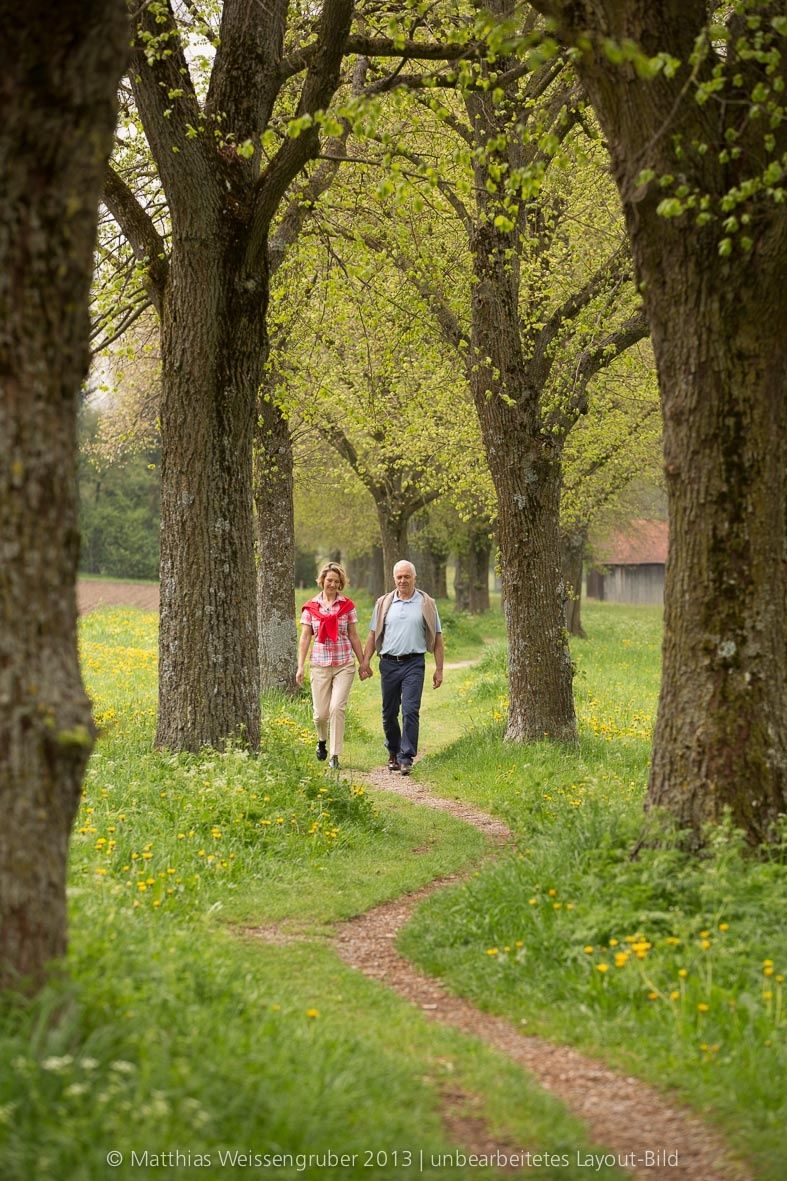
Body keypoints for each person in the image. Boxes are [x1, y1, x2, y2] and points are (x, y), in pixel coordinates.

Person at [361, 560, 443, 775]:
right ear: (394, 578)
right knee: (389, 713)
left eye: (407, 576)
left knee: (410, 710)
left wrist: (439, 669)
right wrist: (365, 661)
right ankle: (393, 751)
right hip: (388, 663)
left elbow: (438, 637)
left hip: (414, 663)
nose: (403, 580)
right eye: (399, 577)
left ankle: (406, 757)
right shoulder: (384, 603)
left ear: (414, 578)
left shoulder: (426, 603)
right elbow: (372, 634)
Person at [297, 562, 370, 770]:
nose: (332, 584)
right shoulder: (311, 607)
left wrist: (363, 662)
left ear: (341, 584)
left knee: (337, 707)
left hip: (343, 664)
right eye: (329, 580)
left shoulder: (347, 606)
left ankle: (335, 756)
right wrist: (300, 666)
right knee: (320, 714)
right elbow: (304, 638)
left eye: (337, 582)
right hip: (319, 665)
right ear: (322, 581)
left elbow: (354, 636)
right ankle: (321, 740)